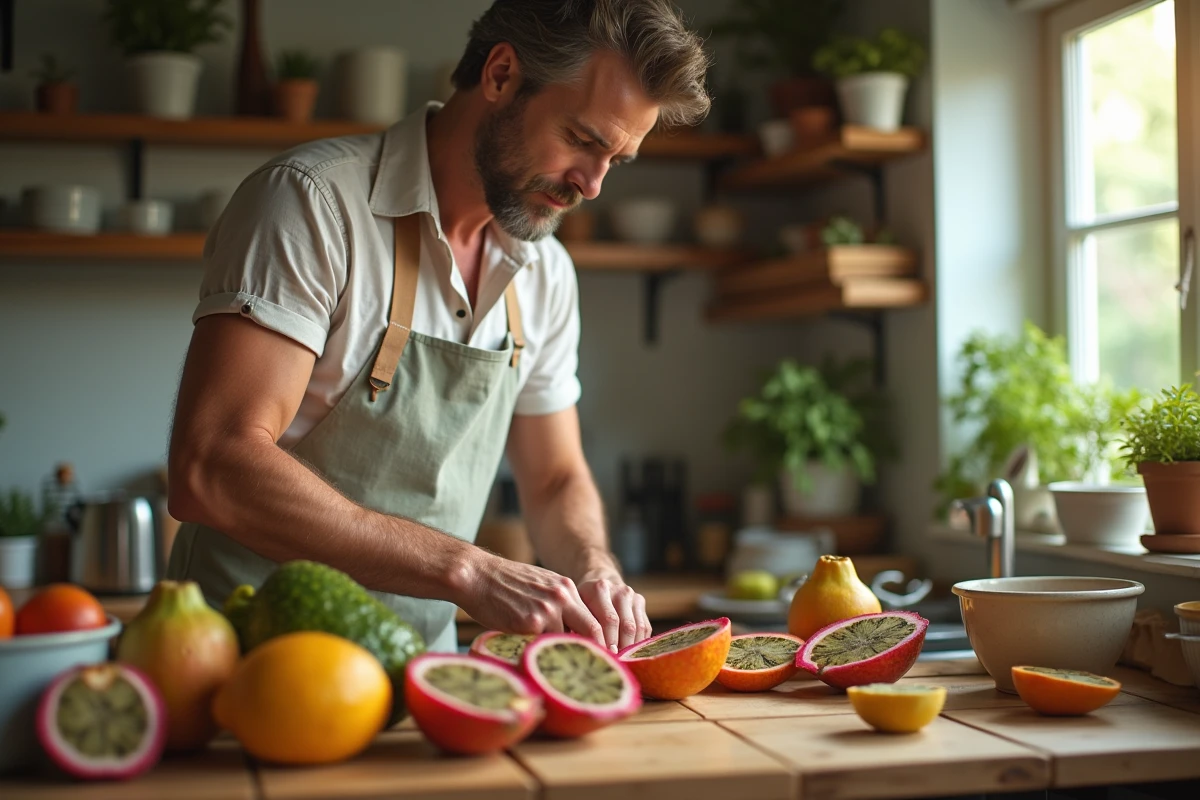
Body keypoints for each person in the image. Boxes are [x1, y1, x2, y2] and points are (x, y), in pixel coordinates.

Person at [165, 0, 712, 654]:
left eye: (614, 161)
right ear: (502, 75)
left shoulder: (545, 274)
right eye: (583, 140)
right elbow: (213, 464)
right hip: (249, 666)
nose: (592, 186)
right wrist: (467, 567)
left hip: (420, 682)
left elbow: (554, 479)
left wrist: (593, 566)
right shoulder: (311, 204)